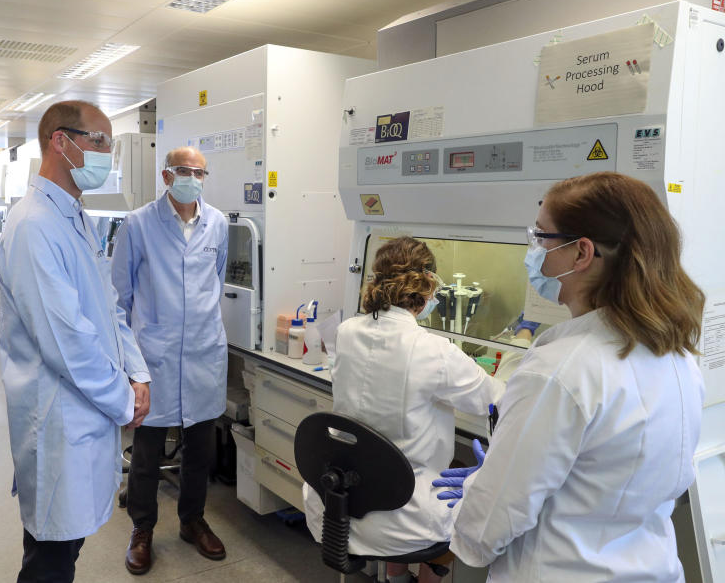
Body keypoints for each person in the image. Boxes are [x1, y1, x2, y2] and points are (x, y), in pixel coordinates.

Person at [435, 172, 705, 582]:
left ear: (581, 253)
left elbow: (485, 530)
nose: (535, 250)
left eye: (542, 236)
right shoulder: (678, 356)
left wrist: (482, 487)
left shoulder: (558, 371)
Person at [0, 100, 151, 583]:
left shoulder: (75, 217)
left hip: (85, 413)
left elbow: (108, 307)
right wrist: (123, 400)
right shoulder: (33, 224)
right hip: (58, 422)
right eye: (99, 141)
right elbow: (67, 342)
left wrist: (138, 371)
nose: (107, 153)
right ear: (59, 142)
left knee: (65, 553)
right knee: (50, 563)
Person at [302, 237, 504, 583]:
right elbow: (494, 399)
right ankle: (428, 579)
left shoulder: (347, 331)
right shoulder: (435, 351)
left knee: (394, 463)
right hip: (405, 521)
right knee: (464, 488)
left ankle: (396, 578)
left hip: (335, 504)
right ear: (426, 286)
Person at [111, 146, 230, 575]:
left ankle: (192, 520)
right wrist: (128, 366)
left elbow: (213, 285)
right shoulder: (139, 224)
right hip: (153, 359)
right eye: (184, 171)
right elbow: (118, 300)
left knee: (200, 450)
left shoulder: (217, 224)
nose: (192, 178)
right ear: (166, 176)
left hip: (202, 354)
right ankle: (142, 529)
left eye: (200, 172)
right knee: (146, 452)